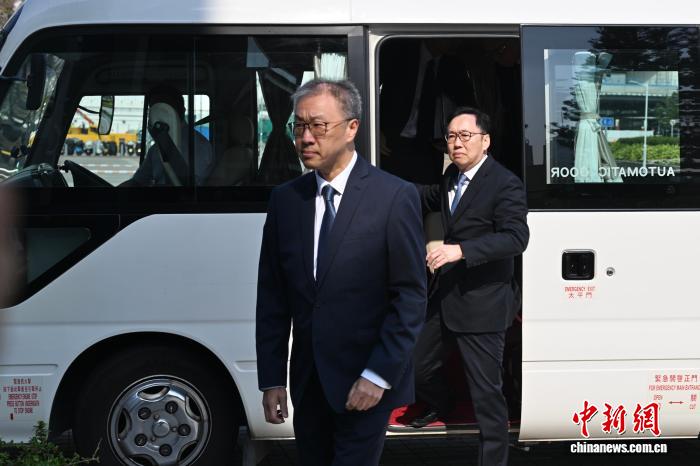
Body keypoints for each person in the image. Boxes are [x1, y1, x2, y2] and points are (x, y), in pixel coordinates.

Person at [256, 78, 427, 466]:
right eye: (299, 126)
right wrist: (272, 379)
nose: (306, 138)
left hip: (366, 382)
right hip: (309, 383)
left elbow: (410, 297)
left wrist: (378, 375)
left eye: (318, 126)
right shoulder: (286, 200)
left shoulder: (393, 196)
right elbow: (273, 299)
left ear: (352, 128)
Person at [410, 107, 529, 466]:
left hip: (483, 303)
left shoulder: (505, 183)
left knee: (486, 398)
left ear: (485, 141)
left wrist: (460, 250)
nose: (456, 143)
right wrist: (377, 187)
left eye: (465, 136)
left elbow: (516, 238)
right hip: (446, 297)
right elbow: (428, 196)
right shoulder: (452, 177)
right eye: (450, 136)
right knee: (415, 367)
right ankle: (443, 404)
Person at [122, 85, 213, 186]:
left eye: (164, 110)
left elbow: (189, 187)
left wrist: (165, 142)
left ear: (182, 111)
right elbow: (138, 181)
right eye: (154, 111)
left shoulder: (198, 146)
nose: (158, 116)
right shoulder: (155, 149)